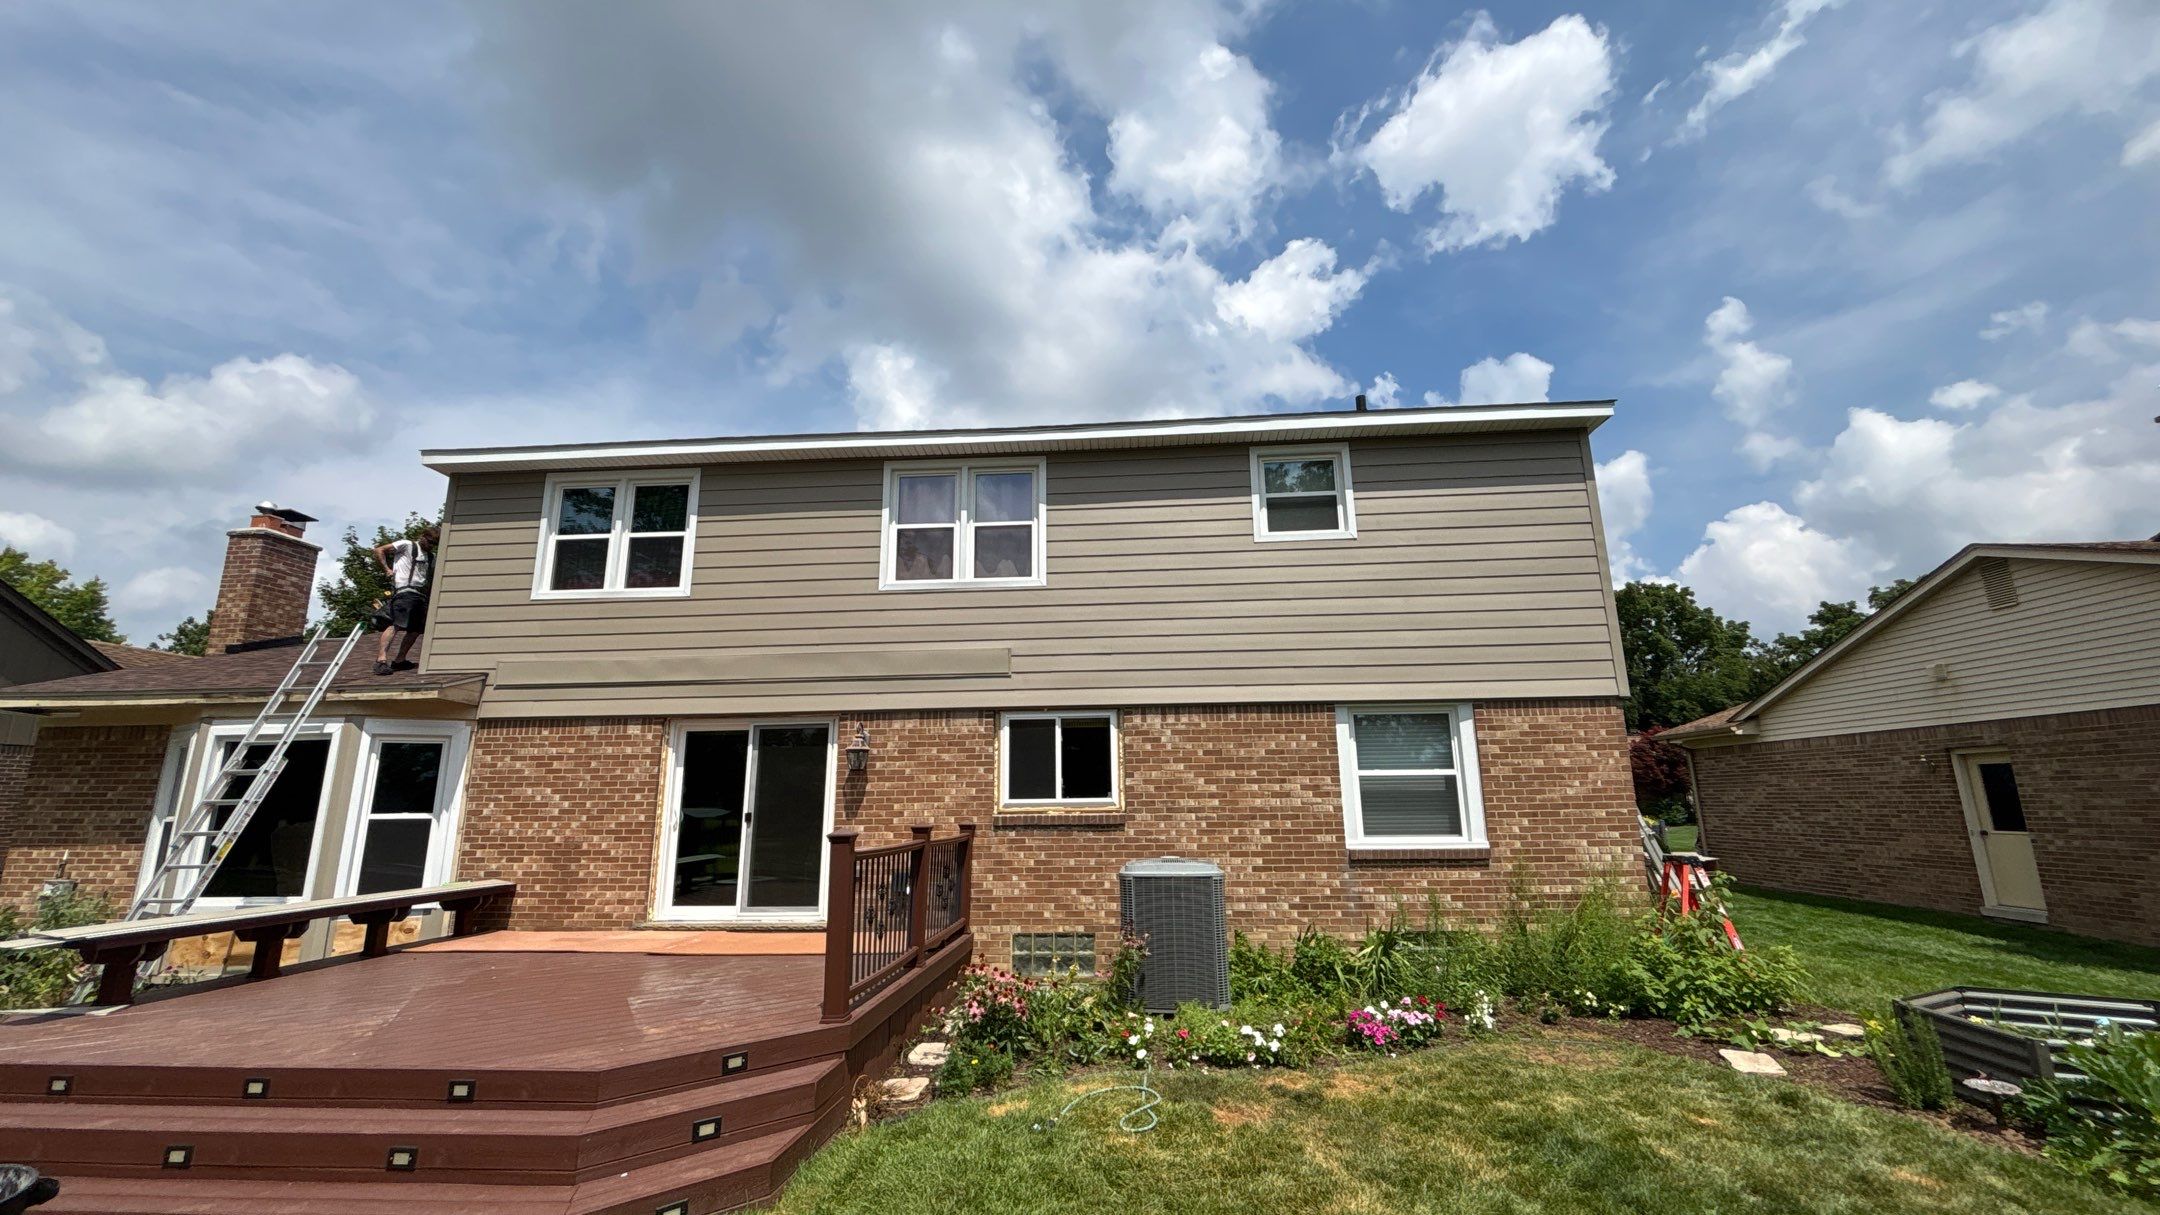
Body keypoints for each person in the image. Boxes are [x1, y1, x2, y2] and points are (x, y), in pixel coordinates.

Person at [373, 525, 438, 675]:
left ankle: (400, 660)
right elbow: (379, 550)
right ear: (423, 537)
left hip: (419, 596)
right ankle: (381, 660)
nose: (431, 546)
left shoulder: (431, 556)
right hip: (404, 592)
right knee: (395, 624)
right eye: (430, 542)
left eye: (434, 544)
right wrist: (387, 569)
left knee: (415, 630)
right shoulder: (407, 545)